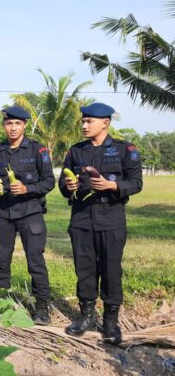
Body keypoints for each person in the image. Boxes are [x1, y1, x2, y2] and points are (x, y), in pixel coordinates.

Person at [59, 102, 142, 345]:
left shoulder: (125, 149)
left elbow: (136, 182)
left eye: (89, 121)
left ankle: (110, 321)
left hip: (111, 216)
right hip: (82, 217)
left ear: (105, 123)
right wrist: (69, 186)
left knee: (111, 268)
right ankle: (86, 317)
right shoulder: (75, 151)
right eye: (83, 121)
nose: (84, 126)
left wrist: (113, 185)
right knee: (84, 268)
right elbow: (63, 183)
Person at [0, 106, 55, 325]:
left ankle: (42, 307)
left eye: (17, 124)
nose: (13, 128)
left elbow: (49, 182)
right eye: (9, 123)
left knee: (35, 261)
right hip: (3, 213)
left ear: (24, 125)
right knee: (2, 260)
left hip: (30, 213)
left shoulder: (37, 150)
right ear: (4, 126)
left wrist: (27, 189)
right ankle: (1, 303)